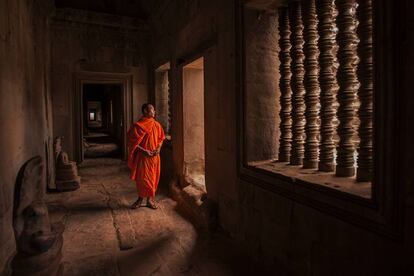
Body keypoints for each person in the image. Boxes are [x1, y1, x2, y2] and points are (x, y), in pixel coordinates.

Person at [127, 103, 165, 209]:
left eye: (153, 109)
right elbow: (132, 143)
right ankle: (140, 199)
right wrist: (144, 151)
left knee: (153, 178)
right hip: (143, 158)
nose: (154, 112)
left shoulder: (156, 125)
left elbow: (161, 138)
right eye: (152, 109)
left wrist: (158, 149)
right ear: (145, 111)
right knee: (142, 179)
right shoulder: (137, 126)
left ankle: (150, 200)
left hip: (155, 158)